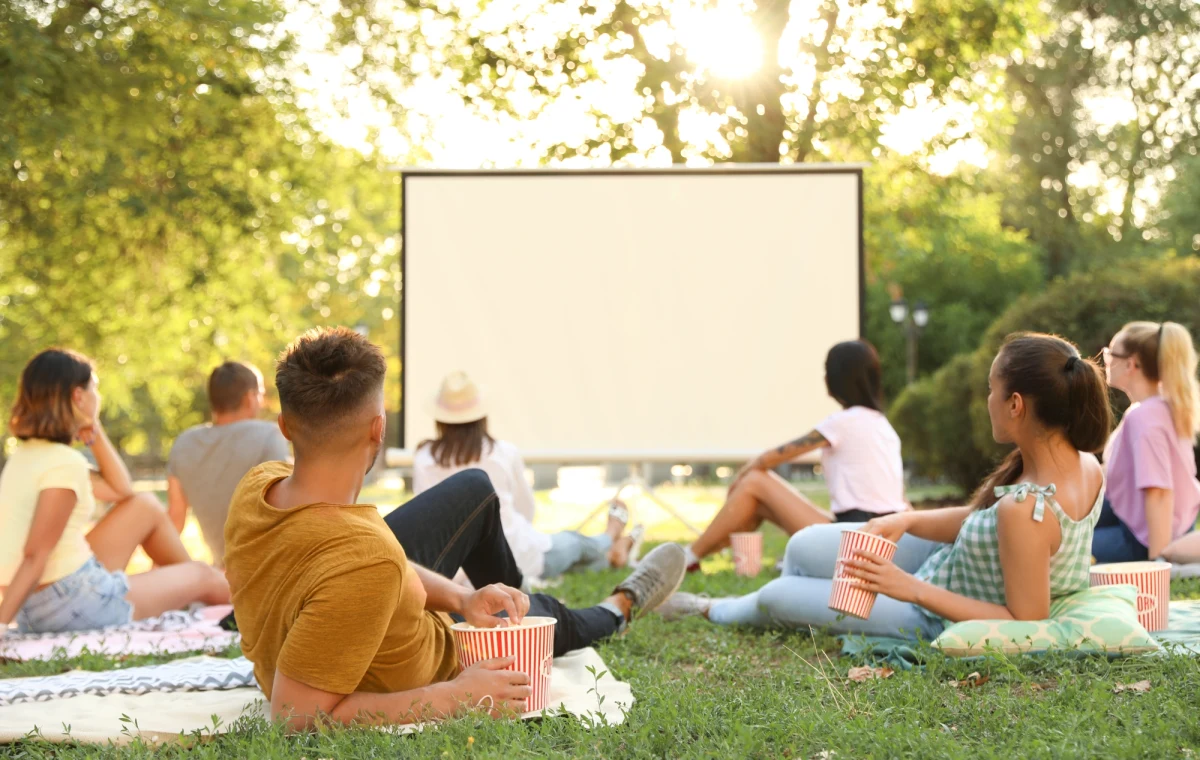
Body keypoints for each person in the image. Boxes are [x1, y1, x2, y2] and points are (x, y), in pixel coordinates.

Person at [223, 327, 685, 729]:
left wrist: (463, 597)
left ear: (284, 426)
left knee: (473, 490)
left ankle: (533, 602)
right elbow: (295, 715)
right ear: (378, 430)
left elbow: (375, 565)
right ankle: (618, 608)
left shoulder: (257, 484)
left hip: (360, 606)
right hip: (429, 650)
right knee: (544, 615)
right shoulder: (365, 562)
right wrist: (457, 696)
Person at [660, 333, 1111, 639]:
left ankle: (713, 606)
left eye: (990, 389)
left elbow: (1026, 620)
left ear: (1015, 405)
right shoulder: (1083, 464)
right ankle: (791, 590)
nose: (986, 399)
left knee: (778, 594)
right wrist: (908, 517)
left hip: (929, 612)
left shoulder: (1029, 510)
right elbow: (983, 521)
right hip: (944, 562)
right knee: (802, 548)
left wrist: (907, 587)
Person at [0, 349, 230, 634]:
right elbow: (36, 554)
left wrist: (93, 429)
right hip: (70, 604)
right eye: (94, 388)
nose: (99, 397)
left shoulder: (28, 456)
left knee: (144, 505)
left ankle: (190, 594)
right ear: (78, 397)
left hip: (44, 601)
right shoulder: (64, 464)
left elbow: (121, 491)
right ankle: (257, 602)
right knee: (203, 574)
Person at [682, 340, 907, 572]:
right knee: (758, 504)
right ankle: (700, 557)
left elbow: (768, 459)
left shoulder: (842, 422)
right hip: (880, 538)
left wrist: (738, 481)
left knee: (753, 483)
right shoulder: (884, 427)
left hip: (852, 539)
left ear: (836, 378)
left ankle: (688, 556)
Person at [413, 372, 642, 583]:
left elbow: (426, 518)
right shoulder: (502, 453)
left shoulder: (424, 458)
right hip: (521, 555)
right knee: (575, 543)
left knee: (578, 561)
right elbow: (526, 508)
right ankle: (610, 537)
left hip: (458, 571)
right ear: (481, 417)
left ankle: (614, 553)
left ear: (440, 419)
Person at [1091, 321, 1200, 563]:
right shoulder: (1155, 407)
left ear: (1131, 364)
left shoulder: (1146, 418)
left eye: (1110, 353)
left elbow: (1159, 491)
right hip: (1141, 522)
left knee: (1063, 550)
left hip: (1145, 538)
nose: (1105, 359)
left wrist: (1157, 561)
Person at [166, 361, 290, 566]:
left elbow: (174, 519)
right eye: (260, 393)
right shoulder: (269, 435)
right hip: (266, 572)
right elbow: (284, 509)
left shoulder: (185, 443)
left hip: (222, 571)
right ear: (249, 398)